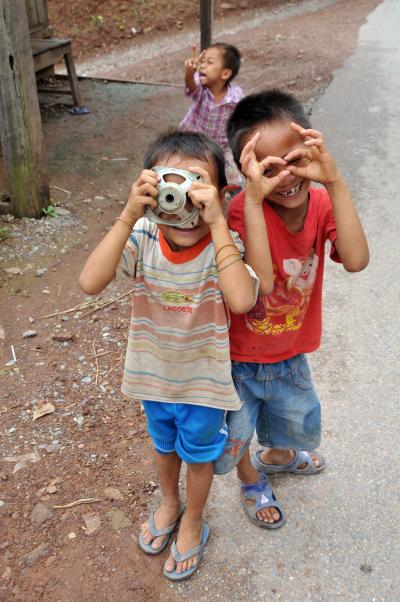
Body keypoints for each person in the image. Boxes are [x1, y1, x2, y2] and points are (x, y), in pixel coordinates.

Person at [79, 131, 262, 579]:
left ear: (220, 195)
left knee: (198, 455)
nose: (179, 194)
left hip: (203, 384)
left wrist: (218, 223)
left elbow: (241, 300)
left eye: (195, 182)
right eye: (168, 181)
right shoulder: (143, 234)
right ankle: (169, 502)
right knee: (164, 447)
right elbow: (89, 282)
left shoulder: (225, 245)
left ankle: (195, 520)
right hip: (152, 377)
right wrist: (128, 213)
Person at [214, 89, 369, 529]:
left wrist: (335, 180)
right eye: (269, 168)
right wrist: (255, 198)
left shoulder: (321, 201)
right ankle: (249, 478)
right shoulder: (243, 210)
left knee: (294, 419)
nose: (286, 176)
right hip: (239, 357)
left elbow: (356, 260)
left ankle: (279, 457)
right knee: (236, 432)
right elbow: (261, 283)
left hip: (291, 351)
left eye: (295, 160)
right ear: (247, 172)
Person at [179, 42, 244, 188]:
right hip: (194, 139)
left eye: (209, 62)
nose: (202, 66)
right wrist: (189, 73)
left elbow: (243, 115)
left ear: (225, 73)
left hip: (221, 145)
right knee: (189, 168)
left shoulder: (235, 96)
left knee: (232, 178)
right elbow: (191, 86)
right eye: (202, 61)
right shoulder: (200, 87)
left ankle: (230, 196)